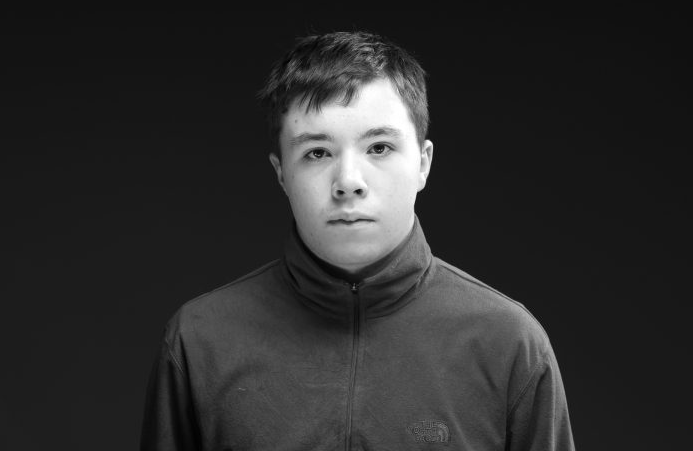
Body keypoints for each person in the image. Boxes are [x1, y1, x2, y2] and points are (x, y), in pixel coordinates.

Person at [140, 31, 575, 450]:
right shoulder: (198, 341)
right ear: (281, 173)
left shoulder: (509, 343)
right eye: (317, 152)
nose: (348, 181)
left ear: (423, 163)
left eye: (379, 147)